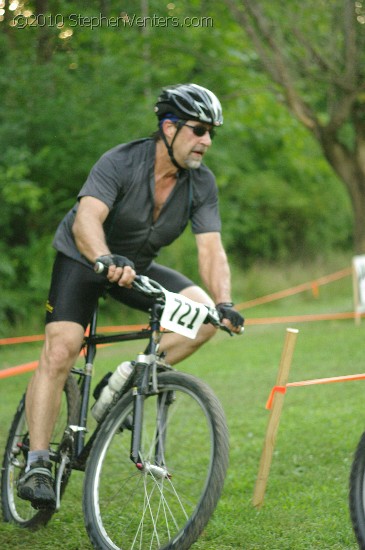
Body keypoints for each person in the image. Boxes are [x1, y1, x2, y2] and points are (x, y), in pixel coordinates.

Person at [17, 83, 244, 509]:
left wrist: (224, 301)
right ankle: (37, 462)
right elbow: (87, 219)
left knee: (203, 318)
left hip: (135, 268)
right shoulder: (121, 161)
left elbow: (211, 248)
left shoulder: (201, 183)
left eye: (212, 132)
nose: (207, 141)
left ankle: (125, 379)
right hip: (85, 260)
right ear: (169, 127)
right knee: (62, 347)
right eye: (198, 130)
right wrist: (103, 258)